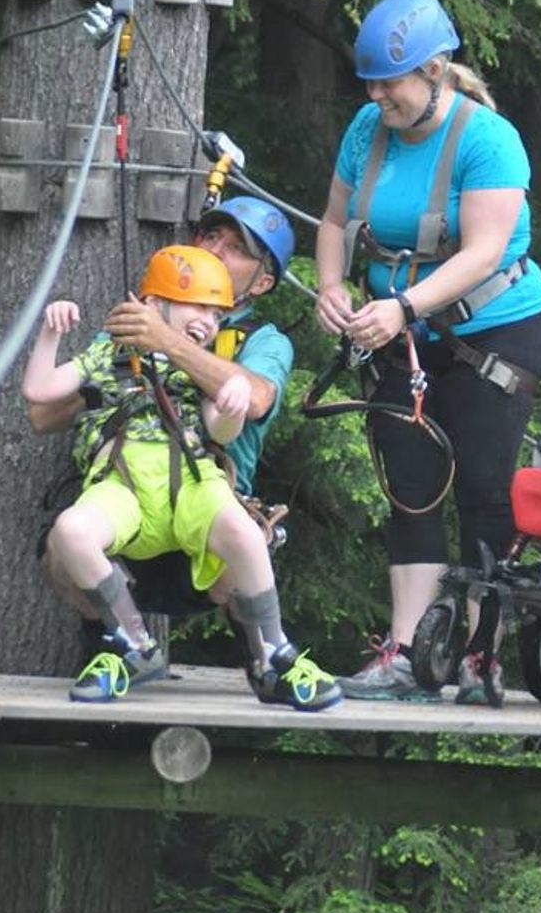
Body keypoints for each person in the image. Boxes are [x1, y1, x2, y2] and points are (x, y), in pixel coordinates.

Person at [314, 0, 541, 707]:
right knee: (410, 490)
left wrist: (405, 305)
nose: (377, 95)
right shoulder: (368, 128)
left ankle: (482, 656)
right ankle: (408, 652)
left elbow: (481, 253)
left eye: (391, 82)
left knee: (483, 489)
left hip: (490, 334)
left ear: (437, 72)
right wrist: (332, 286)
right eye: (372, 83)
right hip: (397, 334)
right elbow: (332, 219)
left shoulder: (489, 140)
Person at [23, 242, 341, 711]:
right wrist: (50, 333)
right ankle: (132, 644)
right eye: (198, 307)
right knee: (71, 531)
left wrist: (230, 404)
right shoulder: (109, 354)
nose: (208, 323)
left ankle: (276, 652)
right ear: (154, 305)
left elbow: (220, 430)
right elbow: (39, 394)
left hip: (192, 486)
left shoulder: (207, 364)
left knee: (243, 531)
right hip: (125, 485)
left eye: (217, 315)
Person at [27, 196, 297, 617]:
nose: (214, 251)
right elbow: (44, 415)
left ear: (262, 282)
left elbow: (257, 399)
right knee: (63, 547)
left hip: (207, 508)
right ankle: (117, 645)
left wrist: (168, 343)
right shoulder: (145, 318)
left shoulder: (263, 341)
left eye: (237, 249)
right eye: (211, 236)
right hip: (126, 496)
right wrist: (123, 375)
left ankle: (265, 656)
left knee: (245, 539)